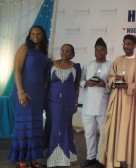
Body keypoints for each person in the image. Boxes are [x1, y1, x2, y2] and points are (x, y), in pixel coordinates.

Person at [98, 34, 136, 168]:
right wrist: (115, 82)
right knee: (114, 130)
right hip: (117, 101)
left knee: (129, 131)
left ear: (135, 45)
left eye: (129, 43)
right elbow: (111, 78)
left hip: (131, 103)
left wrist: (128, 86)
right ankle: (114, 162)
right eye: (125, 43)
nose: (127, 46)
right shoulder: (118, 60)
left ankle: (129, 161)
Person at [8, 25, 49, 168]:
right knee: (24, 126)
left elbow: (44, 77)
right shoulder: (24, 49)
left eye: (39, 33)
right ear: (30, 36)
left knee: (35, 126)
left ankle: (32, 158)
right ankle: (21, 159)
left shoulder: (44, 54)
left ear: (43, 36)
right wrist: (20, 91)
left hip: (38, 95)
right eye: (33, 33)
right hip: (24, 92)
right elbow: (17, 70)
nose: (36, 36)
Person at [44, 44, 81, 167]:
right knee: (53, 126)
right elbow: (45, 84)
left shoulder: (76, 67)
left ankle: (65, 157)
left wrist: (76, 102)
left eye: (68, 51)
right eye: (62, 50)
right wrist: (44, 101)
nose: (65, 53)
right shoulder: (51, 65)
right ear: (60, 52)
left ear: (72, 53)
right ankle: (50, 157)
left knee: (65, 127)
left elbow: (76, 87)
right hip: (52, 102)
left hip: (68, 103)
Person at [80, 37, 111, 167]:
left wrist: (105, 84)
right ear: (94, 51)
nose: (99, 52)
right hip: (88, 106)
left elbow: (113, 84)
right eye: (97, 50)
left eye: (102, 50)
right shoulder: (88, 65)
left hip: (103, 105)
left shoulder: (111, 65)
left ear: (106, 51)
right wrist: (86, 83)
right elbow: (80, 81)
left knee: (104, 134)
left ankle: (100, 158)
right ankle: (90, 157)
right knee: (89, 133)